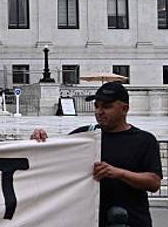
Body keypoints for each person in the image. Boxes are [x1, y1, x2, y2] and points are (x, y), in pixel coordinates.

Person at [30, 82, 161, 227]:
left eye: (106, 106)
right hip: (88, 220)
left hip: (132, 221)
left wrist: (119, 173)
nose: (99, 111)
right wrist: (38, 141)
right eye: (97, 106)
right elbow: (53, 155)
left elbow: (153, 182)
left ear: (124, 109)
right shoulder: (84, 135)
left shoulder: (144, 140)